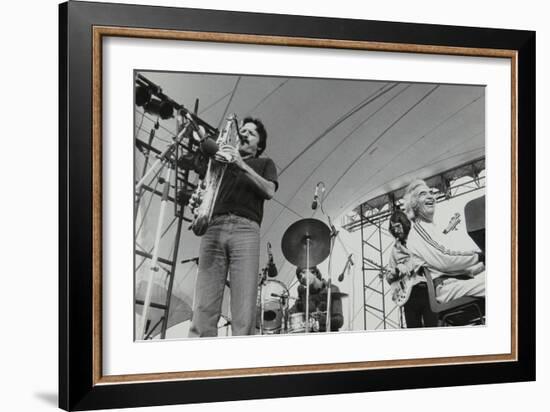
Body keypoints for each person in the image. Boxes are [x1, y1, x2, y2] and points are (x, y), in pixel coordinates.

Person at [188, 117, 278, 337]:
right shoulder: (220, 161)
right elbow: (208, 187)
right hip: (214, 226)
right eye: (243, 130)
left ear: (259, 146)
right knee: (203, 305)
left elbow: (269, 191)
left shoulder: (265, 163)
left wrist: (240, 163)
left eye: (251, 133)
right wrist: (198, 202)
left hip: (245, 230)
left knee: (243, 308)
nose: (244, 134)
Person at [403, 179, 485, 304]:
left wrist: (484, 261)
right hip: (446, 287)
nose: (430, 196)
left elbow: (464, 270)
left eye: (431, 193)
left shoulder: (432, 229)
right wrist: (480, 256)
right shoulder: (418, 230)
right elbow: (445, 259)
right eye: (423, 194)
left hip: (457, 282)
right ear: (414, 204)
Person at [386, 210, 438, 328]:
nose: (396, 230)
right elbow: (389, 277)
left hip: (426, 290)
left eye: (398, 226)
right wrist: (395, 272)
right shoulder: (395, 250)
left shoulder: (418, 239)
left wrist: (408, 265)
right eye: (393, 228)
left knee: (433, 327)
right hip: (408, 297)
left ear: (404, 223)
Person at [290, 267, 344, 332]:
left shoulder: (331, 289)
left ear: (314, 273)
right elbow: (291, 313)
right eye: (300, 276)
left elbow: (339, 321)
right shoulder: (304, 294)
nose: (302, 277)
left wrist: (325, 320)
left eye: (304, 273)